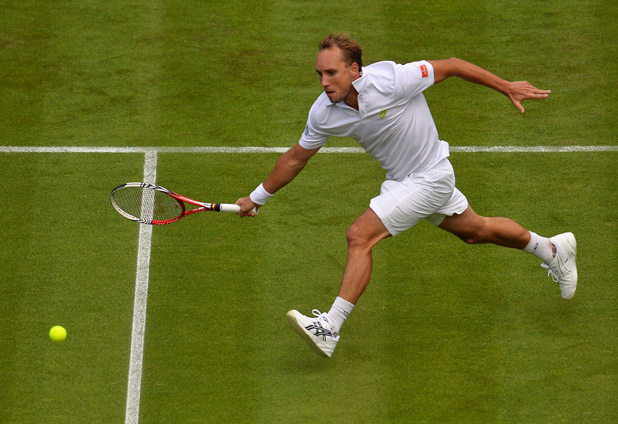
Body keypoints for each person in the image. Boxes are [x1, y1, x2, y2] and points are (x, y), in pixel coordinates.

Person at [235, 33, 577, 358]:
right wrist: (256, 197)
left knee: (359, 235)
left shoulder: (392, 80)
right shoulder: (323, 112)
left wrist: (507, 87)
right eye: (319, 74)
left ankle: (330, 327)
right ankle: (552, 249)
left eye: (331, 73)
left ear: (353, 69)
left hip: (431, 176)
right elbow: (296, 158)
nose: (324, 82)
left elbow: (453, 65)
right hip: (402, 181)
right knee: (476, 231)